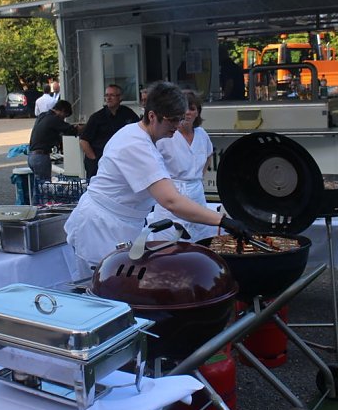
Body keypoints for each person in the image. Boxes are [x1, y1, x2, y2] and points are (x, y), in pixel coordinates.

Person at [64, 81, 253, 273]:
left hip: (124, 224)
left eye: (180, 119)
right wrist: (222, 221)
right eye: (172, 120)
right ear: (152, 116)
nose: (177, 125)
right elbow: (171, 201)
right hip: (101, 227)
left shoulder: (145, 137)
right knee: (100, 292)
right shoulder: (136, 144)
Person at [148, 90, 215, 242]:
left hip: (196, 192)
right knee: (169, 243)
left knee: (200, 241)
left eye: (192, 108)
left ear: (197, 112)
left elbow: (209, 154)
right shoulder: (167, 134)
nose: (187, 113)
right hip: (173, 190)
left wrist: (198, 177)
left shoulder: (202, 134)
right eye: (184, 109)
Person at [79, 84, 140, 180]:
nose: (108, 98)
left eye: (112, 95)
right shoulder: (97, 117)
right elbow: (84, 141)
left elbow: (139, 132)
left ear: (120, 97)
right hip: (99, 162)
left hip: (121, 162)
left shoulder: (128, 114)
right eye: (106, 95)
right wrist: (94, 159)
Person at [27, 99, 80, 181]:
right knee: (45, 186)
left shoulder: (42, 115)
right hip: (41, 157)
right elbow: (71, 130)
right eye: (64, 116)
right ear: (62, 110)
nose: (63, 119)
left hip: (31, 156)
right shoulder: (54, 119)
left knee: (38, 186)